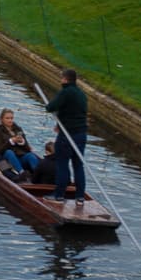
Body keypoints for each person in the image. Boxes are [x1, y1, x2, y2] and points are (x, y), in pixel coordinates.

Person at [45, 68, 89, 201]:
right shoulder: (81, 94)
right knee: (78, 165)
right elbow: (73, 112)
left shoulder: (65, 92)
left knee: (62, 164)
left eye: (61, 78)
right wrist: (60, 123)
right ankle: (80, 196)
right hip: (81, 134)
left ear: (65, 79)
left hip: (67, 135)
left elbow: (51, 107)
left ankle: (59, 195)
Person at [0, 109, 42, 180]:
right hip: (8, 157)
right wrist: (11, 141)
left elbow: (27, 148)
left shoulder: (18, 129)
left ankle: (38, 175)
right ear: (2, 119)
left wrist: (22, 142)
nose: (10, 120)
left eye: (11, 118)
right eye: (7, 118)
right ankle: (22, 173)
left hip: (21, 156)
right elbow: (0, 149)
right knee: (9, 152)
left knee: (31, 156)